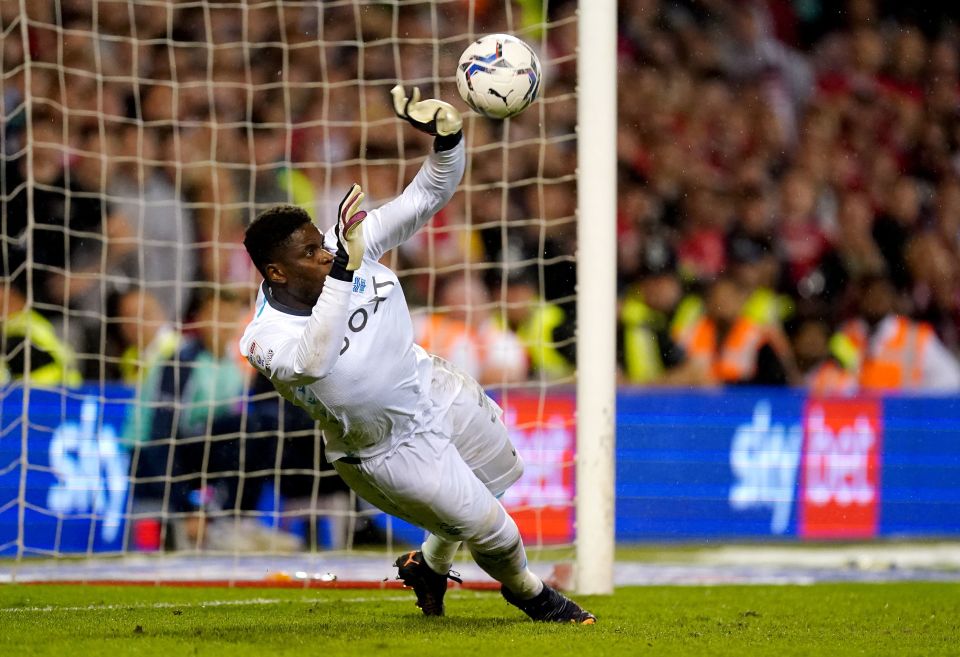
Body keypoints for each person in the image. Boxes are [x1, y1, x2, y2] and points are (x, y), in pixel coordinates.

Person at [238, 86, 595, 623]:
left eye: (322, 241)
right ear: (276, 273)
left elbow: (426, 195)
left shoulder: (351, 243)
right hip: (382, 450)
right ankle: (528, 592)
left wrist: (448, 141)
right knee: (492, 527)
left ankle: (429, 566)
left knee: (498, 474)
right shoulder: (262, 337)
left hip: (431, 387)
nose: (327, 251)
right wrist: (344, 272)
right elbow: (314, 361)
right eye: (310, 252)